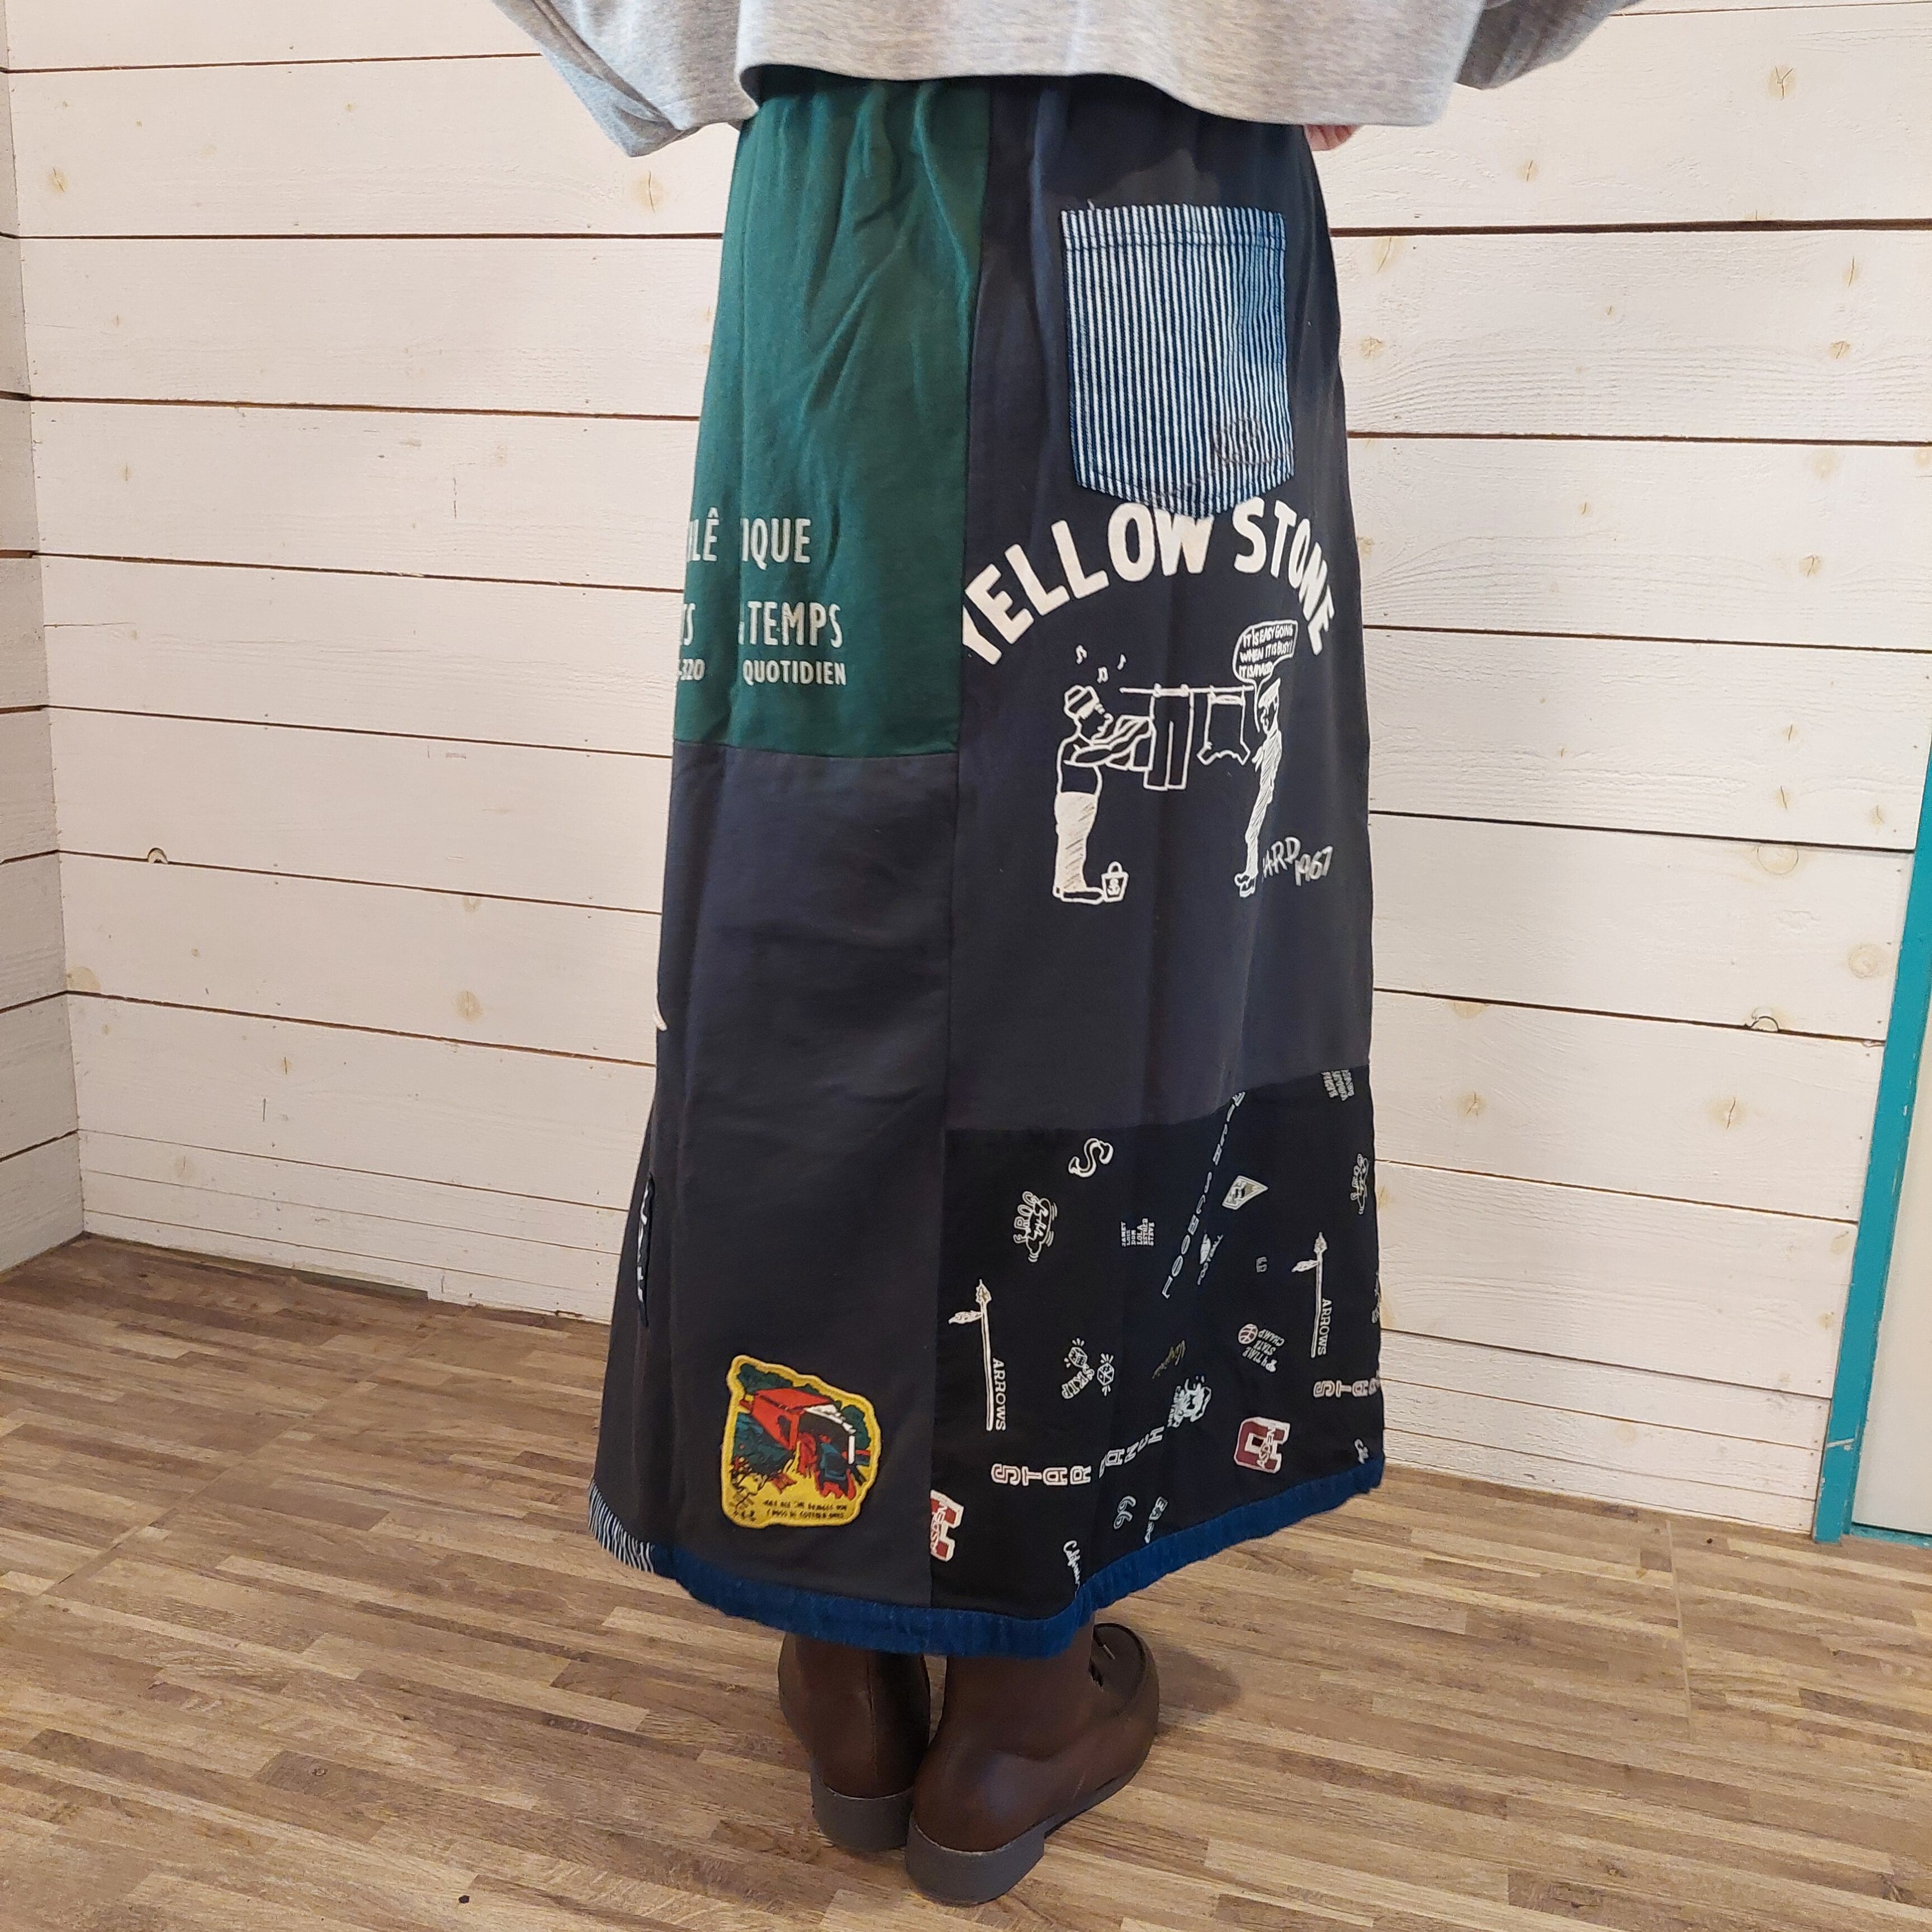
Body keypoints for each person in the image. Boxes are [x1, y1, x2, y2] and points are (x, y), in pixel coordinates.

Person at [487, 0, 1635, 1903]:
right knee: (1131, 941)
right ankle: (1015, 1715)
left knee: (813, 894)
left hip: (834, 219)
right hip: (1166, 169)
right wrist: (1330, 36)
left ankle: (840, 1656)